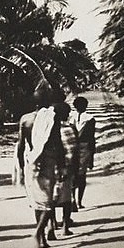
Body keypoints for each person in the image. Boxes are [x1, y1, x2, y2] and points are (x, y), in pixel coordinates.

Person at [22, 82, 66, 248]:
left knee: (37, 201)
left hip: (31, 161)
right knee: (49, 200)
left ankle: (41, 239)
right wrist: (62, 166)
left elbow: (20, 146)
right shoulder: (51, 118)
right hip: (48, 160)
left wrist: (21, 165)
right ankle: (39, 231)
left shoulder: (25, 119)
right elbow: (58, 143)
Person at [48, 102, 78, 239]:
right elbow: (74, 150)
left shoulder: (48, 130)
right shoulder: (70, 128)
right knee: (66, 199)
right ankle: (65, 227)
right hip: (66, 168)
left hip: (50, 167)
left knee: (50, 198)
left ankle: (52, 225)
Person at [70, 96, 96, 208]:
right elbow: (91, 138)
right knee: (82, 176)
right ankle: (79, 202)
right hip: (84, 148)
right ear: (86, 106)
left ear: (74, 106)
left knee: (72, 174)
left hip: (71, 146)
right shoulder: (90, 119)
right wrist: (92, 158)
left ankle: (72, 199)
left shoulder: (70, 117)